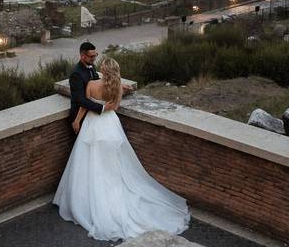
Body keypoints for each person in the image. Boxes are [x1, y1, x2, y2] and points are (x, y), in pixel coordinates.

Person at [54, 56, 189, 241]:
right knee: (111, 165)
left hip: (92, 125)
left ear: (103, 69)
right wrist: (119, 90)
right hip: (109, 125)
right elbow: (114, 107)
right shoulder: (116, 87)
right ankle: (110, 192)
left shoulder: (92, 84)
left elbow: (84, 106)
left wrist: (77, 121)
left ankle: (85, 200)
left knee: (89, 159)